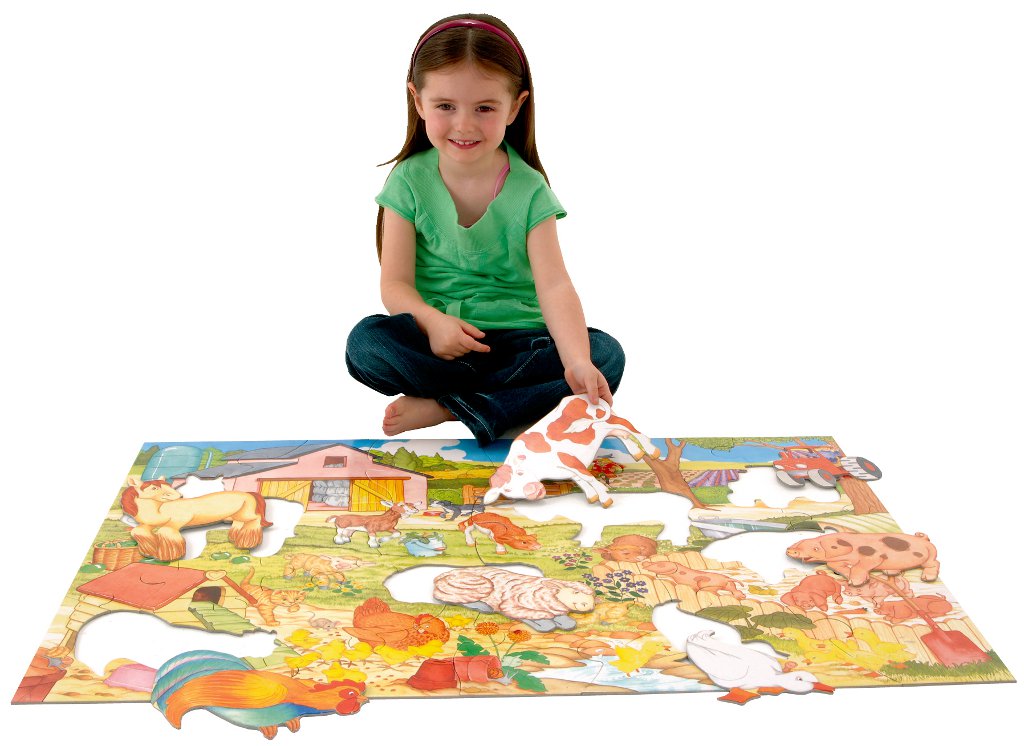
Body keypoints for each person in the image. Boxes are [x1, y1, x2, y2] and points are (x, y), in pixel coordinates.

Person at [346, 13, 625, 445]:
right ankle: (501, 404)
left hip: (521, 345)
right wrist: (433, 323)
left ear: (515, 106)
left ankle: (449, 406)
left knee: (603, 356)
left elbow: (554, 286)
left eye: (484, 108)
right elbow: (395, 283)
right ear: (417, 101)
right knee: (365, 343)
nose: (464, 125)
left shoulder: (529, 189)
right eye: (445, 106)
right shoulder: (407, 181)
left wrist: (576, 362)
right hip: (438, 344)